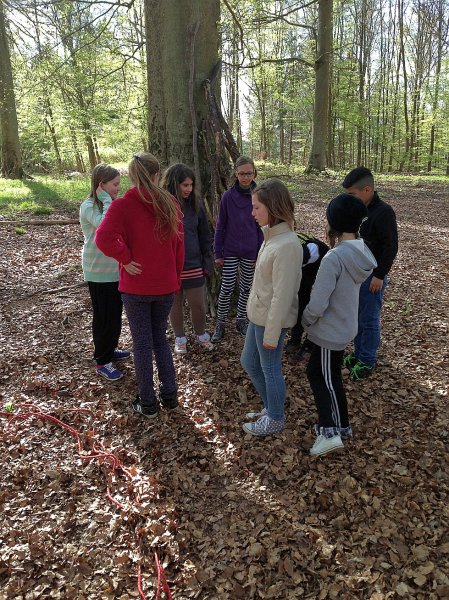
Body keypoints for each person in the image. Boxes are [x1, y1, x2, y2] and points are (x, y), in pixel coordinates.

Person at [95, 152, 184, 418]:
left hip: (136, 287)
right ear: (157, 174)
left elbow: (103, 238)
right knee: (160, 340)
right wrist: (174, 277)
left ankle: (147, 402)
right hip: (164, 285)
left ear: (132, 176)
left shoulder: (123, 205)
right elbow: (179, 247)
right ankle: (170, 395)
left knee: (143, 343)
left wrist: (125, 258)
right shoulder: (169, 202)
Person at [302, 193, 377, 456]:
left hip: (329, 330)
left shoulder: (334, 257)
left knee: (322, 376)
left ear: (334, 222)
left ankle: (329, 431)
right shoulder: (360, 251)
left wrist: (306, 319)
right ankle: (341, 425)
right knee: (326, 373)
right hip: (344, 325)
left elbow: (318, 302)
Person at [241, 178, 302, 436]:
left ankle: (276, 417)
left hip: (270, 320)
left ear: (273, 208)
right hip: (259, 315)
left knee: (269, 368)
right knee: (249, 362)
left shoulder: (287, 245)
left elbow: (282, 295)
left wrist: (272, 334)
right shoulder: (271, 237)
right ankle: (271, 407)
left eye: (257, 208)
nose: (252, 213)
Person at [342, 167, 398, 380]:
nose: (350, 198)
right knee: (357, 317)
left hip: (372, 276)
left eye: (353, 194)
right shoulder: (358, 209)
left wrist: (379, 275)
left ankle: (367, 359)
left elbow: (390, 247)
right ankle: (358, 353)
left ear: (367, 190)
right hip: (357, 273)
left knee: (369, 319)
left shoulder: (384, 212)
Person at [80, 164, 130, 382]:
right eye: (115, 184)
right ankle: (102, 360)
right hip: (97, 272)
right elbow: (104, 226)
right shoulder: (88, 206)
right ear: (101, 185)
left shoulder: (111, 205)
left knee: (114, 315)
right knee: (104, 318)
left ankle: (110, 349)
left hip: (114, 270)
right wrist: (107, 200)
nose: (118, 188)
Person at [160, 163, 214, 353]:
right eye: (185, 185)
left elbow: (205, 235)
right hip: (171, 266)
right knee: (174, 304)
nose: (189, 189)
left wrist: (207, 261)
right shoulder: (162, 206)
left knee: (198, 304)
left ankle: (201, 334)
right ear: (174, 184)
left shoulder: (195, 206)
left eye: (191, 185)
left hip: (194, 264)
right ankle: (180, 338)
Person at [212, 156, 264, 342]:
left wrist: (260, 253)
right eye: (242, 174)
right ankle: (220, 323)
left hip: (251, 250)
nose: (246, 177)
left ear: (254, 173)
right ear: (235, 174)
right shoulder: (228, 196)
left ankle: (241, 320)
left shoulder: (259, 196)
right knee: (226, 287)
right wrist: (218, 252)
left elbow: (261, 226)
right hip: (230, 250)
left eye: (249, 173)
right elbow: (221, 225)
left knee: (246, 288)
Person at [285, 232, 329, 362]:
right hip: (305, 267)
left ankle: (310, 344)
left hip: (320, 266)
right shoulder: (283, 241)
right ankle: (295, 339)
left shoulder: (307, 251)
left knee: (313, 307)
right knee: (300, 302)